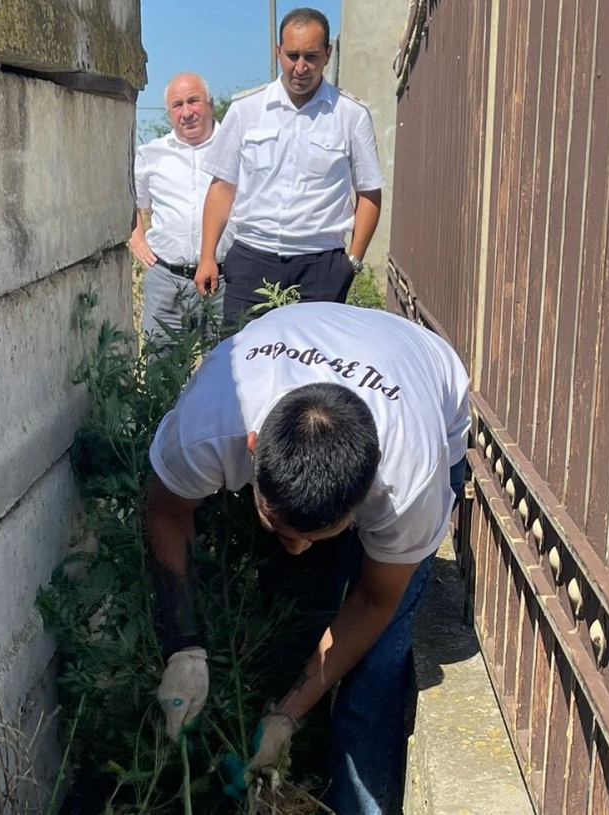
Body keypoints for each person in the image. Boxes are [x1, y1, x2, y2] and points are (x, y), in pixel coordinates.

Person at [145, 302, 470, 815]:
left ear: (364, 503)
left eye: (315, 534)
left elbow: (373, 599)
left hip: (424, 373)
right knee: (301, 597)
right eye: (279, 526)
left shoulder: (410, 481)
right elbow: (166, 512)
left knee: (378, 663)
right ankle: (306, 744)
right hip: (300, 337)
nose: (295, 543)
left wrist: (286, 716)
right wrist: (183, 648)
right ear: (252, 448)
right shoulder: (213, 420)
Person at [194, 8, 385, 328]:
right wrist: (207, 255)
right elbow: (222, 187)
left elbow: (369, 192)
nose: (300, 67)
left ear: (328, 53)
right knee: (243, 365)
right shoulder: (246, 110)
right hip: (252, 262)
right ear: (278, 51)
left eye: (311, 56)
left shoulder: (351, 115)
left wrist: (352, 263)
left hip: (321, 270)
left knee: (314, 371)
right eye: (292, 55)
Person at [129, 72, 233, 349]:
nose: (186, 112)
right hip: (168, 282)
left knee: (226, 373)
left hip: (225, 282)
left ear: (210, 103)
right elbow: (131, 202)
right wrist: (137, 239)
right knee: (161, 376)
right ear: (169, 113)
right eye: (177, 105)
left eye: (193, 101)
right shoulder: (151, 154)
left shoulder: (235, 148)